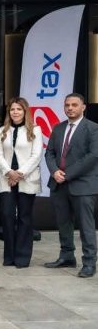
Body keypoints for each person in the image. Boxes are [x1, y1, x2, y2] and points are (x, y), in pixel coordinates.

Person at [44, 93, 98, 278]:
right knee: (63, 223)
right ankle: (67, 256)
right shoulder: (58, 128)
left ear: (83, 107)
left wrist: (67, 174)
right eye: (67, 105)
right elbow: (49, 153)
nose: (70, 108)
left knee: (86, 226)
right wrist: (54, 171)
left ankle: (89, 263)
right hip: (59, 184)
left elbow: (93, 156)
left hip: (83, 185)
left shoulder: (93, 128)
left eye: (74, 105)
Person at [0, 97, 42, 268]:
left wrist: (19, 174)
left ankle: (22, 257)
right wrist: (9, 172)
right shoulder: (2, 130)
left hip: (26, 179)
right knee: (7, 216)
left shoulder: (35, 130)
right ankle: (9, 256)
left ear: (25, 111)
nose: (15, 112)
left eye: (19, 109)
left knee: (24, 218)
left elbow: (36, 155)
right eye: (12, 109)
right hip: (6, 179)